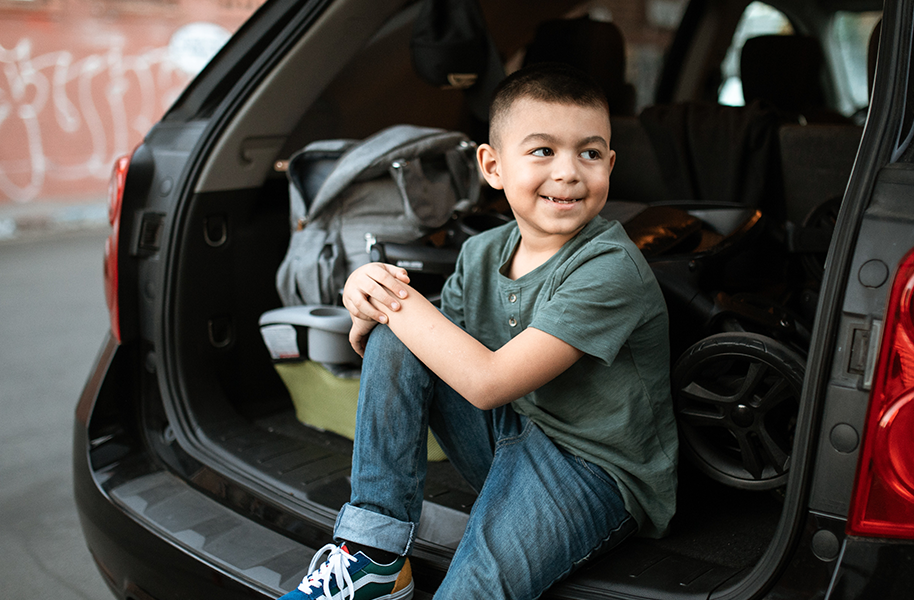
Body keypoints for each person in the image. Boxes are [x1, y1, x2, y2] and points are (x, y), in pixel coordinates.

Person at [279, 63, 678, 600]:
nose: (568, 172)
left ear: (610, 163)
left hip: (593, 468)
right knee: (403, 334)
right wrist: (366, 291)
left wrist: (389, 302)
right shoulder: (481, 252)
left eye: (589, 153)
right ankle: (373, 555)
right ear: (491, 166)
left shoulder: (610, 268)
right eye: (542, 151)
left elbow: (488, 383)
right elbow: (427, 349)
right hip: (508, 432)